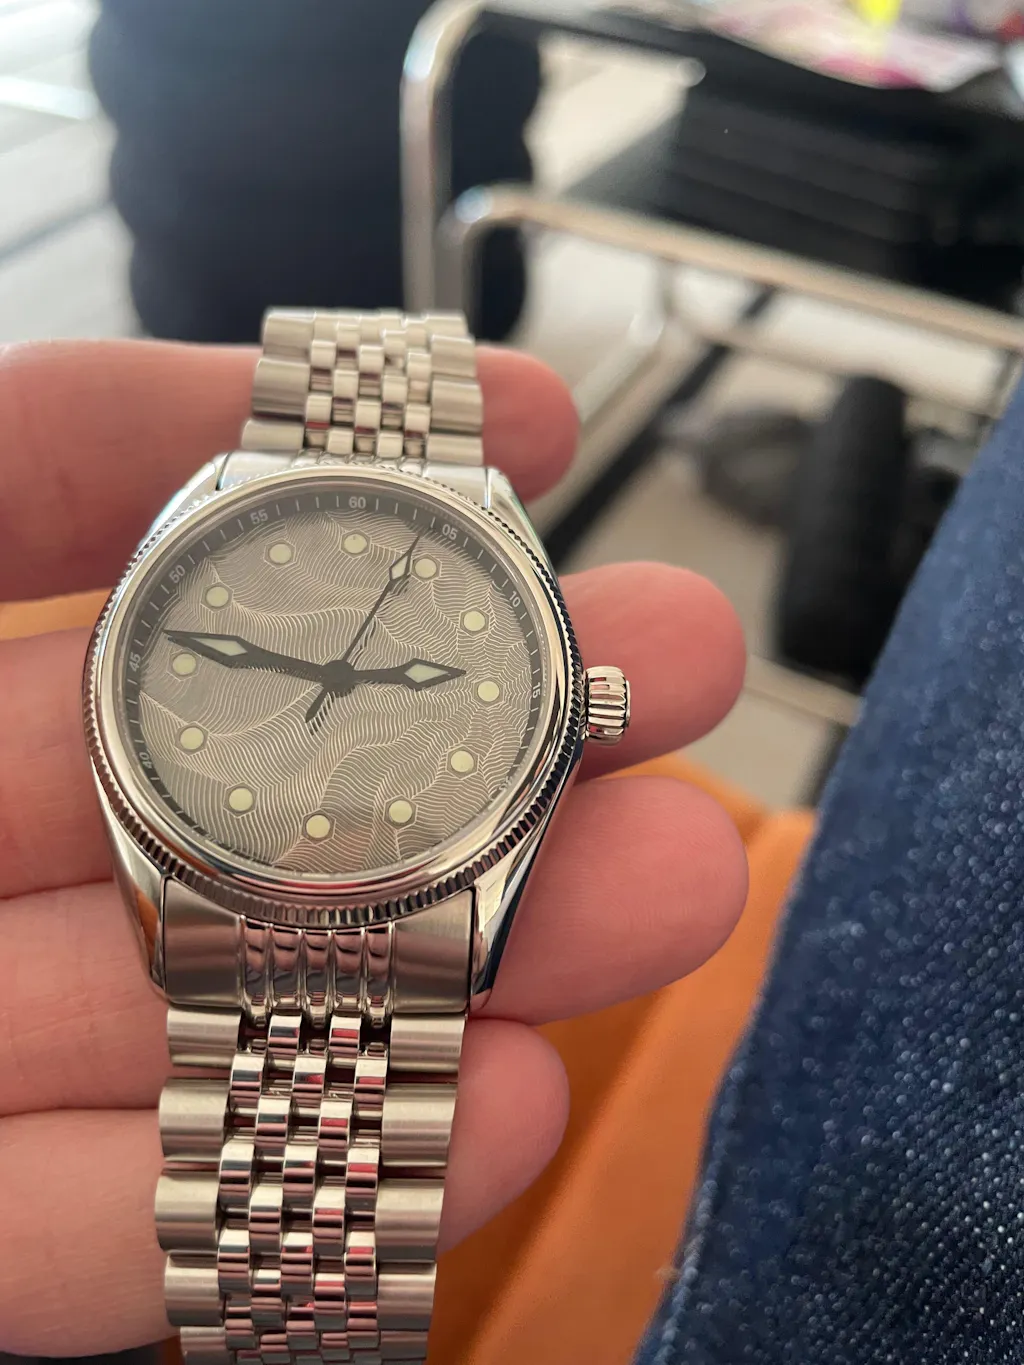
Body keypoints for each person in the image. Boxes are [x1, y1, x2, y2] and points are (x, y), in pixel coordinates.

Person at [0, 338, 748, 1355]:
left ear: (584, 704)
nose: (338, 683)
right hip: (209, 872)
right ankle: (289, 1311)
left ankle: (289, 1311)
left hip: (413, 892)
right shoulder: (229, 501)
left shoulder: (404, 511)